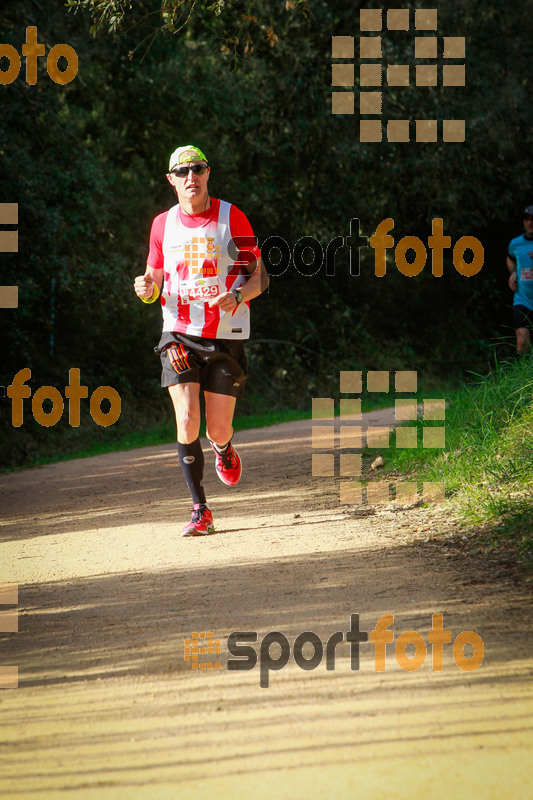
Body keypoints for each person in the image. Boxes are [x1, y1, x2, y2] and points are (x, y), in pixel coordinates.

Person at [134, 145, 268, 536]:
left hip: (225, 337)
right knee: (188, 417)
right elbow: (153, 282)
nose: (191, 176)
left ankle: (223, 449)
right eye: (183, 171)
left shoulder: (231, 218)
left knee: (218, 429)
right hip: (177, 332)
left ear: (208, 173)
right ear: (171, 180)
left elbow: (260, 277)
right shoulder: (162, 225)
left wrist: (240, 295)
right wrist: (144, 288)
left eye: (198, 169)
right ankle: (200, 509)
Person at [507, 204, 533, 355]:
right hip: (522, 299)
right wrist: (513, 273)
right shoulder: (515, 243)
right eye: (527, 219)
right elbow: (510, 259)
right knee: (522, 341)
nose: (530, 223)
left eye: (532, 219)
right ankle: (522, 377)